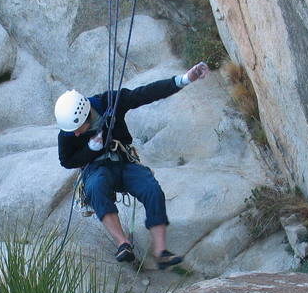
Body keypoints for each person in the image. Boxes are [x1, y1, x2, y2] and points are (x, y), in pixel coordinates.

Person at [54, 62, 209, 268]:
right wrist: (89, 150)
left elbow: (143, 94)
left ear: (86, 116)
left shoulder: (108, 102)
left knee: (151, 188)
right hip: (96, 169)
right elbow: (67, 161)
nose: (75, 134)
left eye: (78, 128)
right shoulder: (67, 132)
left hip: (124, 162)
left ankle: (161, 251)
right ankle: (123, 244)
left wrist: (183, 80)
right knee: (95, 187)